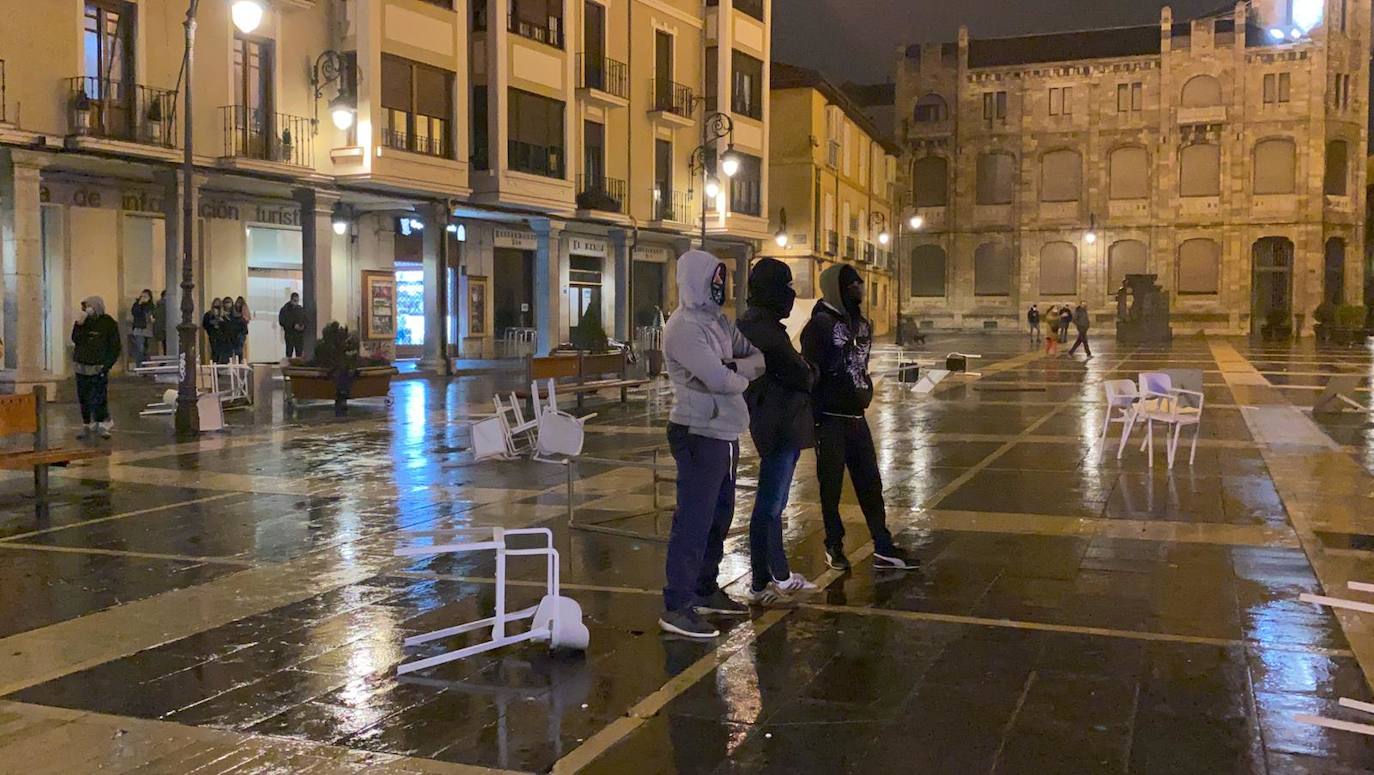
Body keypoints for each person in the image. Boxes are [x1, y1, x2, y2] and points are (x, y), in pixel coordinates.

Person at [658, 249, 765, 639]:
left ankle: (704, 588)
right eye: (716, 279)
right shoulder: (684, 327)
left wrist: (732, 370)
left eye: (724, 279)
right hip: (697, 431)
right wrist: (736, 376)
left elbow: (756, 359)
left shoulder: (717, 321)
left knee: (719, 517)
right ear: (700, 280)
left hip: (725, 431)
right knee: (694, 520)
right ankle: (677, 604)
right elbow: (718, 381)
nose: (722, 286)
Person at [802, 264, 918, 572]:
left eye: (860, 282)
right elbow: (810, 372)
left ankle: (882, 544)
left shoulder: (861, 323)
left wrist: (864, 390)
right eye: (851, 283)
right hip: (829, 418)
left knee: (870, 482)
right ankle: (833, 544)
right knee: (831, 485)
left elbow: (860, 365)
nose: (859, 287)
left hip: (856, 415)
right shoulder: (819, 326)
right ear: (835, 288)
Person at [737, 258, 820, 608]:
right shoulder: (764, 330)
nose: (791, 294)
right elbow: (800, 374)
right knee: (770, 506)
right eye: (786, 286)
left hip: (777, 421)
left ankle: (779, 574)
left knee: (775, 504)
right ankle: (760, 581)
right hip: (778, 424)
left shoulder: (759, 324)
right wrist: (809, 367)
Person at [72, 296, 120, 440]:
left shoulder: (108, 323)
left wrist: (107, 365)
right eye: (86, 306)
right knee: (83, 396)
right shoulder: (83, 322)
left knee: (99, 396)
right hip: (81, 366)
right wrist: (78, 324)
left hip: (99, 367)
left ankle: (102, 423)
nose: (88, 309)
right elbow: (75, 339)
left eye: (90, 306)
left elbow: (115, 346)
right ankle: (87, 423)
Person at [128, 289, 155, 369]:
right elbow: (135, 313)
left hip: (148, 330)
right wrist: (139, 304)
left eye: (146, 296)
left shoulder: (151, 306)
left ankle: (145, 367)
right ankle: (140, 367)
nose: (143, 298)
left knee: (146, 350)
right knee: (140, 348)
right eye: (142, 296)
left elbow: (153, 315)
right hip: (139, 329)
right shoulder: (136, 305)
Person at [278, 292, 307, 359]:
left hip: (299, 335)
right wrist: (293, 326)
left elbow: (306, 320)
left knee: (299, 353)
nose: (296, 302)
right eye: (294, 300)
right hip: (290, 334)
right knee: (289, 352)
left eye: (297, 301)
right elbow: (282, 321)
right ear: (291, 300)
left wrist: (303, 326)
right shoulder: (285, 309)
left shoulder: (300, 309)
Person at [203, 298, 229, 364]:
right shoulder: (208, 315)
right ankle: (214, 367)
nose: (217, 309)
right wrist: (212, 322)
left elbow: (227, 328)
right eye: (215, 307)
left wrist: (221, 321)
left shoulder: (224, 316)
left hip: (222, 338)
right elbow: (205, 325)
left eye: (218, 307)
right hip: (213, 336)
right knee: (215, 352)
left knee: (222, 353)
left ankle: (220, 366)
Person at [229, 296, 251, 361]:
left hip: (241, 333)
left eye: (240, 303)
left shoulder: (244, 311)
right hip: (234, 333)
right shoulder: (232, 311)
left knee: (239, 350)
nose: (238, 304)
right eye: (238, 302)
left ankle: (239, 362)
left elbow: (246, 320)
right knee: (235, 351)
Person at [153, 290, 168, 355]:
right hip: (165, 328)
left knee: (165, 345)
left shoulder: (158, 305)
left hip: (162, 328)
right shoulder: (164, 305)